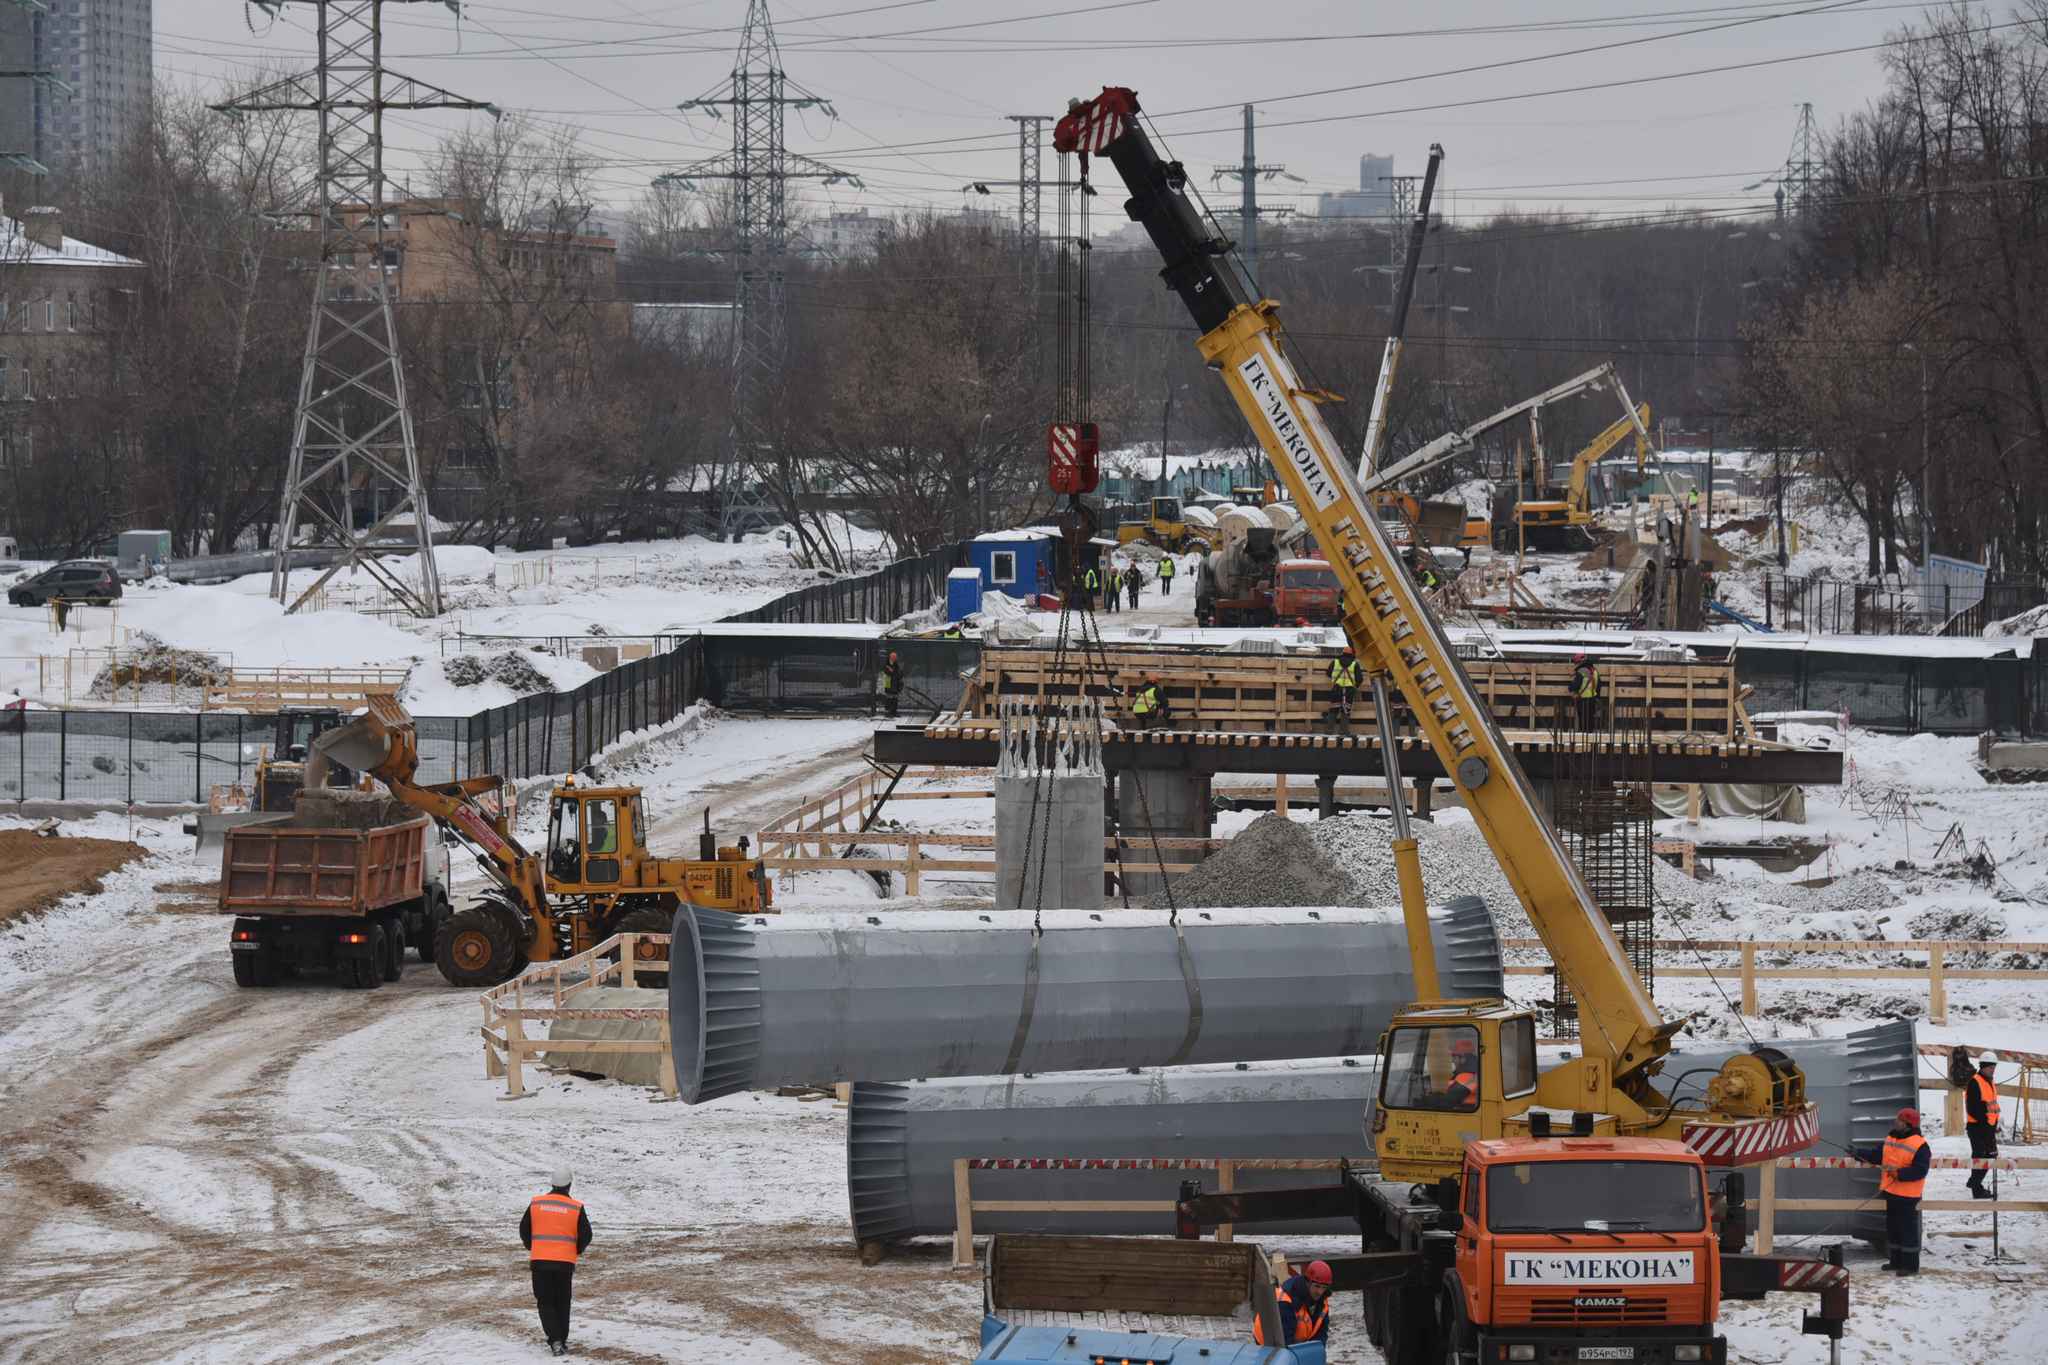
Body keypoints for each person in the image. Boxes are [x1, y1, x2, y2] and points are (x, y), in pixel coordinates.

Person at [521, 1166, 593, 1356]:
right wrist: (575, 1249)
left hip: (540, 1261)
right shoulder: (575, 1207)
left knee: (545, 1301)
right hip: (564, 1263)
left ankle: (555, 1340)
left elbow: (524, 1229)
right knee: (562, 1301)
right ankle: (561, 1338)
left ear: (552, 1183)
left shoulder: (536, 1203)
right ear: (569, 1185)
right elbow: (586, 1234)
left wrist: (532, 1245)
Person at [1859, 1107, 1929, 1276]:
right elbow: (1878, 1155)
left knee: (1907, 1231)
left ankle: (1910, 1266)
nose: (1895, 1121)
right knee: (1894, 1229)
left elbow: (1921, 1170)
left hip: (1907, 1196)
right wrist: (1858, 1153)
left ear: (1907, 1124)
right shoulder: (1891, 1138)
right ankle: (1896, 1262)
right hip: (1891, 1192)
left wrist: (1899, 1174)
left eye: (1899, 1120)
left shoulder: (1920, 1145)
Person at [1253, 1258, 1332, 1348]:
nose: (1320, 1292)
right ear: (1307, 1283)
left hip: (1297, 1343)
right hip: (1268, 1347)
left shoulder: (1322, 1302)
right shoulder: (1285, 1303)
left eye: (1324, 1287)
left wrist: (1317, 1353)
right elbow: (1285, 1345)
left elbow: (1321, 1334)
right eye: (1317, 1286)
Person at [1966, 1052, 2002, 1200]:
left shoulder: (1989, 1082)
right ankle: (1976, 1188)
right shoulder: (1975, 1082)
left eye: (1994, 1067)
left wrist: (1995, 1123)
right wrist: (1986, 1126)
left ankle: (1975, 1183)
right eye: (1990, 1067)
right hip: (1978, 1127)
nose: (1992, 1069)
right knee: (1981, 1156)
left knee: (1990, 1156)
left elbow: (1991, 1104)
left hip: (1989, 1127)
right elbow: (1974, 1109)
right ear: (1983, 1067)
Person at [1443, 1037, 1480, 1110]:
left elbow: (1448, 1101)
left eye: (1454, 1057)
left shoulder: (1467, 1076)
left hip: (1465, 1111)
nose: (1452, 1061)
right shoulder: (1475, 1070)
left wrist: (1426, 1100)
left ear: (1463, 1058)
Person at [1328, 646, 1361, 726]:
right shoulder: (1355, 664)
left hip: (1336, 688)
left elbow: (1329, 673)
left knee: (1333, 709)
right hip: (1349, 690)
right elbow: (1359, 679)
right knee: (1346, 710)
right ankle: (1343, 731)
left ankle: (1329, 730)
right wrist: (1355, 685)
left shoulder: (1335, 662)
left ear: (1342, 653)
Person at [1570, 652, 1600, 731]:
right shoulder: (1595, 671)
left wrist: (1570, 687)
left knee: (1583, 721)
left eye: (1575, 663)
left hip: (1583, 699)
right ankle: (1590, 739)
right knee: (1590, 720)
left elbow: (1576, 685)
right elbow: (1599, 685)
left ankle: (1583, 738)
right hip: (1593, 699)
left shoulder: (1581, 671)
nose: (1575, 665)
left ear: (1580, 662)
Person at [877, 650, 904, 719]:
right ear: (890, 657)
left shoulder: (896, 664)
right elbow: (887, 673)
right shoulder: (887, 664)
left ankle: (894, 711)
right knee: (889, 697)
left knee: (895, 697)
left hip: (896, 683)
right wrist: (892, 672)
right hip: (889, 682)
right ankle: (889, 712)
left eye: (895, 657)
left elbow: (899, 673)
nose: (894, 658)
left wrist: (895, 673)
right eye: (893, 657)